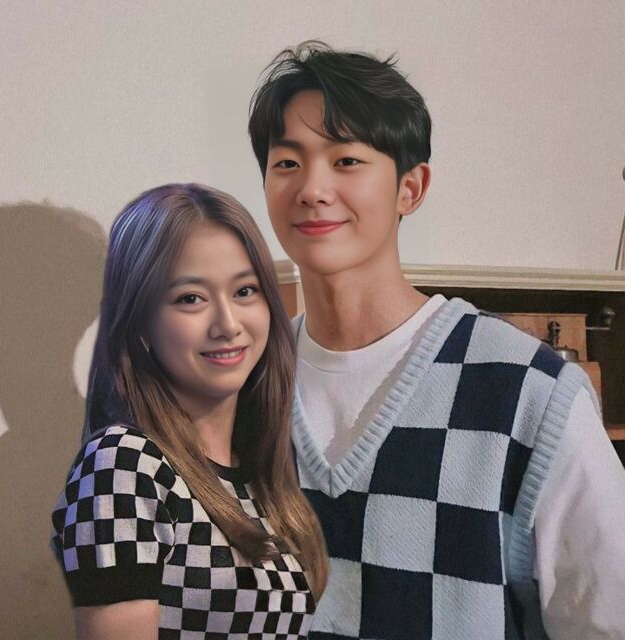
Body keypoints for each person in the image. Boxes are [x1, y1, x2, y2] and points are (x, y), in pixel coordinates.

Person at [248, 42, 625, 639]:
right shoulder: (243, 385)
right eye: (287, 162)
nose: (313, 189)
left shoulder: (528, 391)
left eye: (347, 160)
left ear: (411, 188)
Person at [50, 183, 328, 639]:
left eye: (245, 290)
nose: (228, 324)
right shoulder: (123, 463)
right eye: (190, 298)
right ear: (141, 322)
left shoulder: (261, 472)